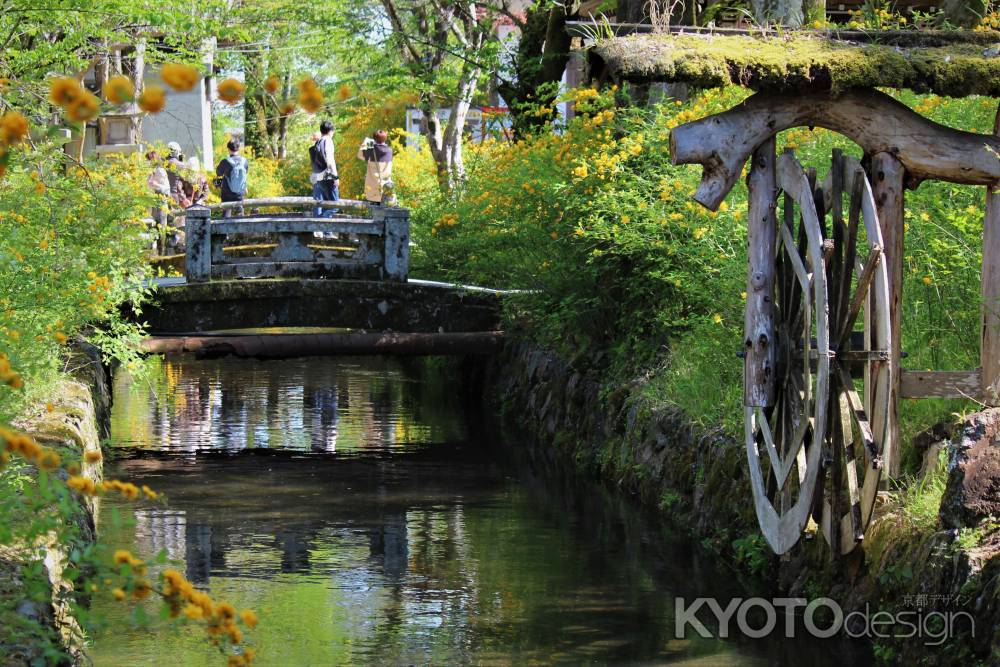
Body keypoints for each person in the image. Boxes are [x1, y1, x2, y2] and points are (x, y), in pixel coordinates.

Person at [310, 120, 339, 218]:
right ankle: (320, 222)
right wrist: (335, 177)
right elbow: (330, 161)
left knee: (326, 205)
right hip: (328, 177)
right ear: (330, 131)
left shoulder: (319, 141)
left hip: (319, 177)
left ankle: (327, 232)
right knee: (335, 205)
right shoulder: (328, 141)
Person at [358, 129, 394, 206]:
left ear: (374, 139)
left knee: (373, 213)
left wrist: (367, 141)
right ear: (385, 138)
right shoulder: (389, 151)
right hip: (385, 188)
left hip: (372, 188)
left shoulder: (371, 150)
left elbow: (360, 155)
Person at [216, 139, 249, 217]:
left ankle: (225, 227)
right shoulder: (244, 161)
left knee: (226, 215)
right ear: (238, 148)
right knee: (240, 214)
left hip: (227, 193)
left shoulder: (225, 161)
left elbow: (218, 173)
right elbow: (245, 175)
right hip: (240, 192)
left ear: (228, 149)